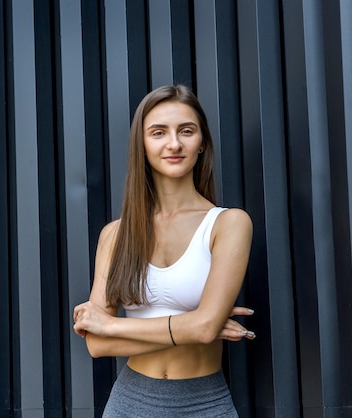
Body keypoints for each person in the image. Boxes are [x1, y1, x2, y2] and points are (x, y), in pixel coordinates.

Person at [73, 85, 255, 417]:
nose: (174, 143)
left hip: (204, 404)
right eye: (159, 132)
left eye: (186, 131)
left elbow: (203, 329)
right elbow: (97, 345)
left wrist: (112, 326)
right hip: (129, 403)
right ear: (141, 146)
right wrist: (195, 326)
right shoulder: (115, 235)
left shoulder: (229, 224)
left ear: (202, 144)